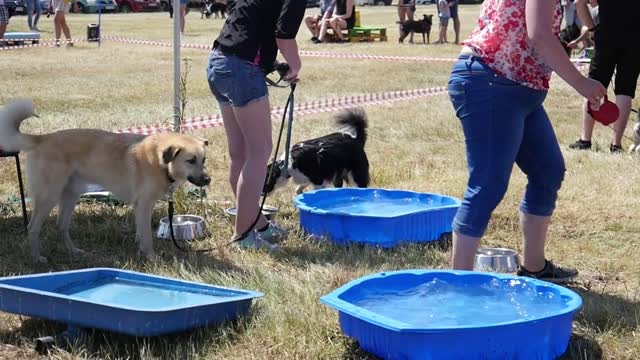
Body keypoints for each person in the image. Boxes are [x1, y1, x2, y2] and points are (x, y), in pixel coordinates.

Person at [447, 0, 607, 282]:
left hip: (520, 88)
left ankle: (534, 267)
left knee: (548, 171)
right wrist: (583, 84)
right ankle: (459, 284)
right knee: (488, 184)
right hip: (493, 82)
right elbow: (540, 35)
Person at [207, 0, 305, 249]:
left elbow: (248, 22)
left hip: (218, 63)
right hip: (242, 71)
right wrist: (295, 65)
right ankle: (243, 236)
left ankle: (258, 225)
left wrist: (270, 63)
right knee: (259, 152)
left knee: (239, 154)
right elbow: (284, 36)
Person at [568, 0, 640, 153]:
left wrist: (592, 29)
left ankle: (585, 139)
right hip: (635, 37)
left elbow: (579, 3)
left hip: (607, 33)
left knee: (594, 83)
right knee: (625, 91)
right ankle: (616, 144)